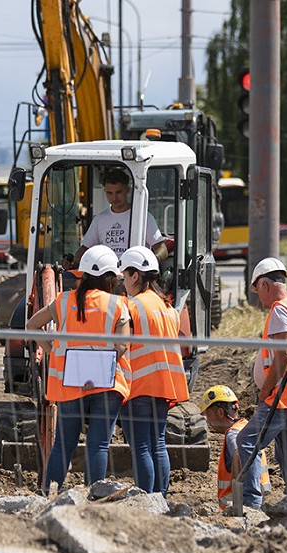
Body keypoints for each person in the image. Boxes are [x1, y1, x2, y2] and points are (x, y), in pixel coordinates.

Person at [27, 244, 132, 493]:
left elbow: (31, 326)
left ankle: (49, 492)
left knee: (63, 443)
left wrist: (54, 353)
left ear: (82, 275)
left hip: (70, 381)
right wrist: (97, 372)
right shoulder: (117, 304)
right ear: (110, 278)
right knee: (98, 445)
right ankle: (93, 496)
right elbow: (122, 346)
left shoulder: (64, 301)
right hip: (106, 384)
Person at [118, 245, 189, 494]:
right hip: (164, 385)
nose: (123, 282)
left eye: (125, 276)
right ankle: (161, 498)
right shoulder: (168, 308)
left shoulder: (132, 306)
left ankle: (145, 501)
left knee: (141, 447)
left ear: (135, 275)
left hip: (137, 384)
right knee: (158, 444)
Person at [235, 257, 287, 509]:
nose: (259, 299)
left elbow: (284, 354)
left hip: (279, 397)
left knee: (246, 441)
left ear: (264, 285)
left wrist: (266, 390)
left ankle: (251, 503)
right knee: (285, 452)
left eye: (257, 291)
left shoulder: (280, 309)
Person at [198, 385, 271, 512]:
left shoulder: (233, 434)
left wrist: (238, 502)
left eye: (208, 415)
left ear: (220, 412)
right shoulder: (248, 428)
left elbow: (238, 455)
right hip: (262, 502)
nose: (208, 421)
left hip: (243, 508)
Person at [72, 169, 168, 264]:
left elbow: (161, 248)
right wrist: (72, 261)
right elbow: (85, 248)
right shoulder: (99, 220)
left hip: (134, 274)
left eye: (118, 192)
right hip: (107, 274)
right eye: (109, 193)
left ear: (127, 190)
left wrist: (152, 262)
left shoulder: (143, 217)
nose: (114, 198)